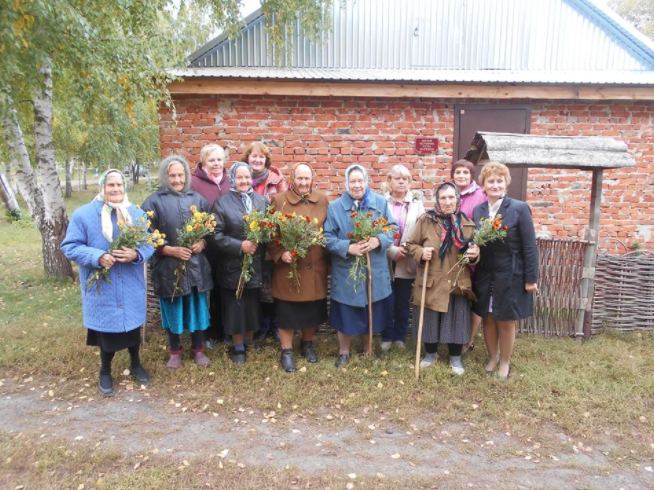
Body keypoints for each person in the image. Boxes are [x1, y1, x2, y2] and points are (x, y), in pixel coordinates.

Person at [61, 169, 155, 397]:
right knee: (107, 331)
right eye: (110, 185)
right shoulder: (83, 215)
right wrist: (96, 257)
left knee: (132, 326)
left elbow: (150, 243)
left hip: (130, 282)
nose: (115, 189)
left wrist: (136, 254)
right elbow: (70, 246)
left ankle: (135, 363)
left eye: (119, 185)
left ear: (124, 188)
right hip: (103, 286)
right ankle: (105, 371)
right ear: (102, 187)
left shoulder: (136, 214)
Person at [142, 155, 213, 370]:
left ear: (186, 176)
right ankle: (175, 351)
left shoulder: (198, 200)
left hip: (195, 267)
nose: (176, 180)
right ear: (165, 176)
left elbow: (211, 228)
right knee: (173, 308)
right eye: (172, 175)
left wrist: (202, 242)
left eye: (180, 175)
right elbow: (145, 233)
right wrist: (167, 249)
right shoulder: (153, 202)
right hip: (168, 268)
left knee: (197, 308)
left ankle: (198, 349)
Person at [324, 164, 396, 367]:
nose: (357, 185)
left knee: (370, 309)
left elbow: (392, 228)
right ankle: (344, 351)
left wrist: (379, 240)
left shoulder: (380, 203)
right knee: (346, 311)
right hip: (347, 269)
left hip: (373, 267)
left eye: (360, 181)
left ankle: (368, 349)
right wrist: (348, 248)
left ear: (366, 182)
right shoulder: (335, 207)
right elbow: (327, 237)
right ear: (346, 184)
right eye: (353, 181)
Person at [472, 162, 538, 380]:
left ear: (506, 183)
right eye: (490, 181)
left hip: (510, 272)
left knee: (506, 318)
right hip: (486, 273)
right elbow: (476, 242)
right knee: (489, 317)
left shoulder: (519, 208)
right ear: (483, 185)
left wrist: (531, 278)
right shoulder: (479, 210)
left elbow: (529, 246)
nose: (495, 184)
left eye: (499, 180)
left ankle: (505, 362)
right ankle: (492, 357)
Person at [405, 182, 479, 375]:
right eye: (443, 198)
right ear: (437, 200)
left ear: (457, 199)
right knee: (429, 319)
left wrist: (474, 254)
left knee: (456, 319)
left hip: (457, 282)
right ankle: (430, 355)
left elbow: (475, 252)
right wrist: (421, 252)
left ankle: (455, 358)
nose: (447, 202)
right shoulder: (426, 220)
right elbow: (410, 244)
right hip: (431, 279)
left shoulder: (467, 224)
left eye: (451, 197)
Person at [268, 163, 330, 372]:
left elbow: (329, 229)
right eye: (299, 178)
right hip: (290, 267)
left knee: (311, 308)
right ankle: (286, 351)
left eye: (307, 178)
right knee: (288, 310)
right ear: (292, 179)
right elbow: (270, 233)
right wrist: (279, 252)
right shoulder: (278, 201)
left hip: (315, 267)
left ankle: (307, 344)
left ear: (313, 179)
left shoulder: (322, 199)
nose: (303, 183)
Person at [210, 162, 267, 364]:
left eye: (247, 177)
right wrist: (239, 246)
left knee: (252, 305)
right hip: (232, 264)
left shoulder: (261, 201)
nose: (243, 181)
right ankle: (238, 347)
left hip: (255, 264)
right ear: (233, 179)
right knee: (236, 306)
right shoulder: (222, 203)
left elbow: (269, 228)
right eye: (239, 177)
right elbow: (214, 235)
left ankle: (249, 341)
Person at [241, 142, 287, 342]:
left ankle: (275, 325)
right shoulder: (240, 177)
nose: (257, 160)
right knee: (255, 284)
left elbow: (284, 206)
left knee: (272, 282)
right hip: (250, 241)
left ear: (266, 160)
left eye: (261, 157)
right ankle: (260, 325)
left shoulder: (276, 180)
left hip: (271, 239)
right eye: (253, 156)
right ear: (248, 158)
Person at [380, 165, 425, 351]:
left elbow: (422, 229)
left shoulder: (416, 204)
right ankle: (386, 336)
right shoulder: (381, 202)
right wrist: (391, 250)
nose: (401, 182)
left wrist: (405, 249)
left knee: (402, 301)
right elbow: (376, 228)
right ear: (389, 181)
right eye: (397, 178)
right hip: (384, 258)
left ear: (409, 183)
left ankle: (399, 337)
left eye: (405, 179)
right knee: (386, 301)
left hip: (407, 259)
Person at [190, 144, 230, 349]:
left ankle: (223, 329)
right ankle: (206, 332)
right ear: (204, 162)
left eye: (219, 160)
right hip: (204, 246)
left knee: (223, 289)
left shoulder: (229, 181)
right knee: (206, 289)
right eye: (212, 160)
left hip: (226, 244)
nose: (216, 164)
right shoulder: (194, 183)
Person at [451, 159, 488, 355]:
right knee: (459, 296)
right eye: (458, 172)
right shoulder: (449, 193)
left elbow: (484, 223)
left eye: (465, 172)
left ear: (471, 176)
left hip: (475, 253)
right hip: (453, 256)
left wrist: (476, 248)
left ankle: (469, 340)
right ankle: (455, 336)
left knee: (475, 298)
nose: (461, 176)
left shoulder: (481, 195)